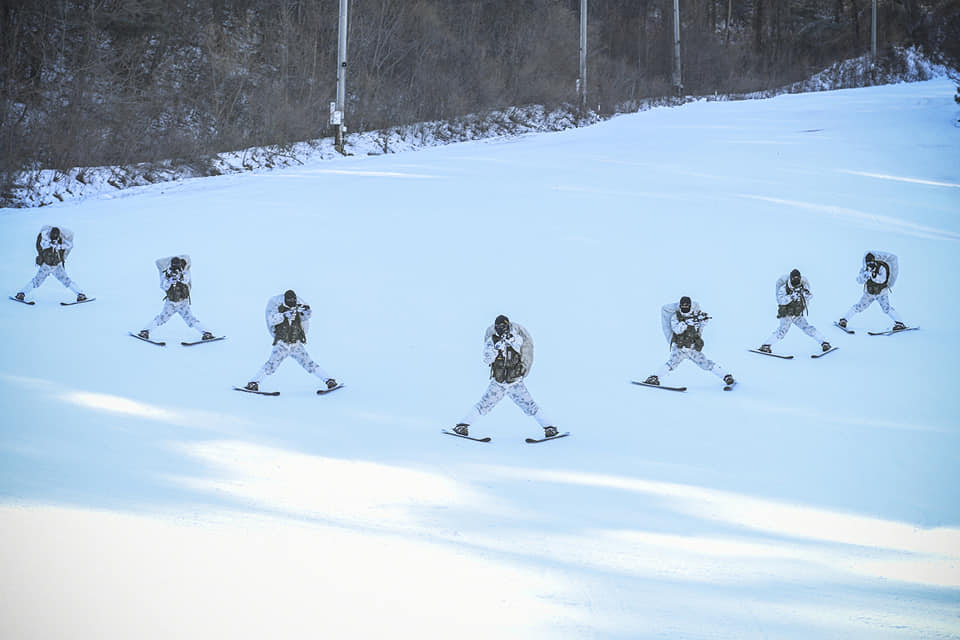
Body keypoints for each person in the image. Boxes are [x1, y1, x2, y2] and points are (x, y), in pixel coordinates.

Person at [452, 315, 558, 438]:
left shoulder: (516, 338)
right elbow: (487, 359)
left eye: (503, 326)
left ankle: (550, 428)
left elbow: (523, 349)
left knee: (530, 405)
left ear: (508, 326)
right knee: (483, 405)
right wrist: (495, 349)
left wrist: (510, 343)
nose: (500, 329)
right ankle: (462, 426)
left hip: (515, 382)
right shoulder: (491, 341)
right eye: (498, 327)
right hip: (498, 383)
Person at [243, 290, 338, 392]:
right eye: (289, 300)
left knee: (309, 363)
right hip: (282, 344)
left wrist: (306, 311)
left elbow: (306, 318)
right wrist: (284, 315)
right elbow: (271, 320)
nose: (292, 301)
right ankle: (253, 383)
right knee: (271, 364)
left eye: (293, 300)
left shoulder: (299, 307)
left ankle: (329, 380)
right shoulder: (277, 307)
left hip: (295, 343)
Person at [643, 296, 735, 388]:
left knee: (706, 363)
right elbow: (676, 330)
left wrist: (703, 321)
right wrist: (686, 323)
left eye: (687, 305)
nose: (685, 306)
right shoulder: (675, 317)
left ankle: (726, 376)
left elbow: (699, 330)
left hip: (692, 348)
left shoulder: (696, 315)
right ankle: (653, 377)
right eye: (683, 305)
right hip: (679, 348)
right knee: (671, 364)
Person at [137, 255, 215, 341]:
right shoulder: (166, 273)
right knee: (161, 318)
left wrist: (180, 277)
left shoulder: (185, 272)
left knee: (190, 319)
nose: (176, 267)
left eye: (177, 265)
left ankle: (207, 333)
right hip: (170, 303)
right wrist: (169, 281)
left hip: (183, 303)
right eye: (174, 265)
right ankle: (145, 332)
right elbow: (163, 286)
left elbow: (187, 280)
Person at [758, 269, 831, 353]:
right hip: (786, 314)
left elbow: (810, 296)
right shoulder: (784, 288)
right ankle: (765, 345)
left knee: (808, 328)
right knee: (781, 332)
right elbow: (780, 300)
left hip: (797, 314)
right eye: (794, 278)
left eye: (798, 278)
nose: (796, 280)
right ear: (791, 278)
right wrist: (791, 296)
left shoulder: (803, 285)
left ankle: (824, 342)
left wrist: (805, 294)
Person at [836, 251, 907, 331]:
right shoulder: (865, 269)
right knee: (859, 307)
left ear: (874, 261)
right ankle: (844, 320)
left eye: (871, 262)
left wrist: (873, 276)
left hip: (881, 293)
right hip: (869, 293)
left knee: (886, 308)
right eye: (868, 263)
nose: (870, 264)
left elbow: (882, 280)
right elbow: (859, 280)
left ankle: (900, 323)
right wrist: (864, 276)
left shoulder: (881, 268)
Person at [14, 225, 87, 302]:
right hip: (46, 266)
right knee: (37, 281)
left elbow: (69, 245)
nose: (55, 239)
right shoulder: (44, 239)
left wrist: (60, 246)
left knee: (66, 280)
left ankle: (81, 294)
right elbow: (41, 245)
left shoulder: (61, 240)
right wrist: (50, 245)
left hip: (57, 266)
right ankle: (21, 294)